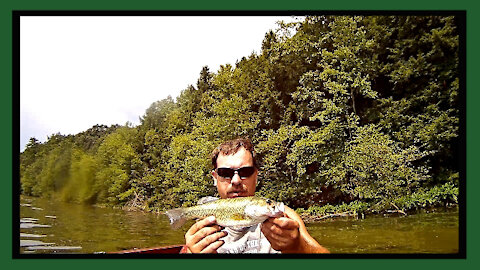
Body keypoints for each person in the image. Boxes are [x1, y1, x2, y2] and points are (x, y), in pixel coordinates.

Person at [182, 138, 330, 254]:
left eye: (245, 172)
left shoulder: (285, 217)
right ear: (215, 178)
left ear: (256, 176)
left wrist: (297, 247)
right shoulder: (204, 219)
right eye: (225, 174)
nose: (236, 181)